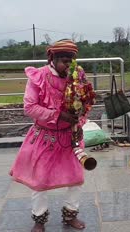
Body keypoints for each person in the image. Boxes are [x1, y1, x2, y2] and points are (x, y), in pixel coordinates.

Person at [10, 39, 88, 232]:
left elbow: (85, 102)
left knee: (77, 177)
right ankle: (39, 219)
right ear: (51, 58)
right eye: (63, 60)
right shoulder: (39, 76)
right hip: (46, 136)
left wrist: (79, 119)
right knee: (40, 181)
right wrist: (58, 114)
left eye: (71, 60)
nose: (67, 65)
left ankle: (71, 214)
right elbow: (30, 107)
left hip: (70, 135)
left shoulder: (78, 75)